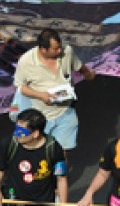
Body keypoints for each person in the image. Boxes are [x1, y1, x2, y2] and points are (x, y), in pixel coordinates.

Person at [13, 28, 95, 160]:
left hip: (66, 112)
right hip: (40, 116)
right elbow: (19, 86)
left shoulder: (67, 52)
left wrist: (88, 74)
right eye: (56, 49)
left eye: (60, 47)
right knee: (38, 154)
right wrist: (41, 95)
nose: (60, 51)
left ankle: (60, 179)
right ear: (43, 49)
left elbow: (79, 66)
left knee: (61, 154)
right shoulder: (26, 61)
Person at [0, 108, 68, 206]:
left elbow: (61, 179)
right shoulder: (8, 144)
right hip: (13, 202)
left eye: (21, 132)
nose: (16, 134)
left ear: (36, 133)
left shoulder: (53, 148)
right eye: (16, 129)